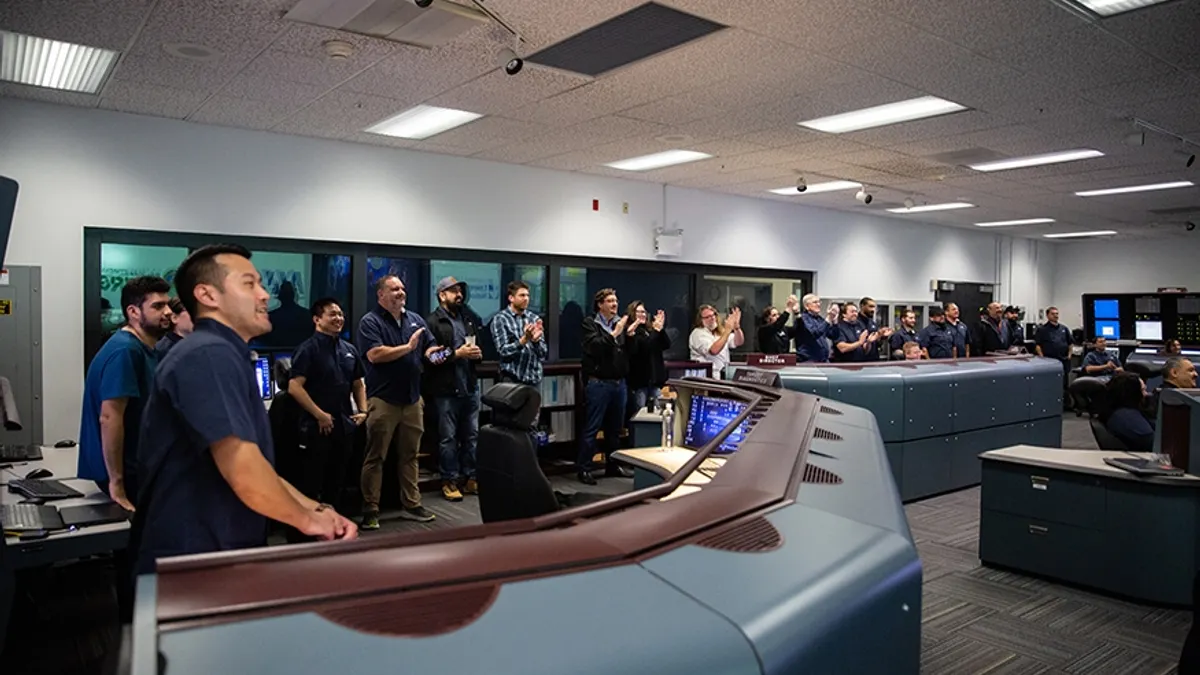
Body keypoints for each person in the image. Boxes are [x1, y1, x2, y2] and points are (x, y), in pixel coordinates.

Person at [135, 244, 356, 577]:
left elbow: (257, 466)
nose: (264, 295)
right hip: (193, 560)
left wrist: (317, 508)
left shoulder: (225, 353)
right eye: (249, 284)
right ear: (207, 295)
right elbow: (242, 468)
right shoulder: (207, 354)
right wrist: (309, 522)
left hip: (220, 550)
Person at [78, 275, 172, 510]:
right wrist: (117, 484)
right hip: (128, 476)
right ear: (133, 312)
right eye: (158, 306)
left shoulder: (145, 349)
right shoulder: (126, 351)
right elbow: (109, 417)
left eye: (168, 304)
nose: (168, 312)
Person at [357, 275, 441, 529]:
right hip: (383, 399)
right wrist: (408, 347)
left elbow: (428, 347)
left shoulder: (415, 319)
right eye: (394, 289)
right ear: (381, 294)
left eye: (402, 288)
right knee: (375, 456)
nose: (401, 292)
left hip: (412, 399)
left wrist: (435, 354)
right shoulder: (370, 322)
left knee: (410, 455)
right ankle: (371, 509)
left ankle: (412, 504)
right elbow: (374, 355)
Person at [286, 298, 367, 522]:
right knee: (312, 483)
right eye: (332, 314)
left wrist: (363, 410)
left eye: (340, 314)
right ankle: (310, 527)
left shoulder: (349, 349)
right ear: (317, 319)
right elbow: (294, 387)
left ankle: (335, 524)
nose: (338, 318)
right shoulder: (307, 349)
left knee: (338, 480)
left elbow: (358, 383)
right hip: (316, 427)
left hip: (344, 425)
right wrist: (319, 415)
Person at [425, 276, 484, 502]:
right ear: (442, 295)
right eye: (453, 291)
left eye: (460, 291)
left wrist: (477, 355)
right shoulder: (432, 322)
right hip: (446, 390)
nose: (459, 295)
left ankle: (470, 477)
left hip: (469, 386)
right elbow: (431, 358)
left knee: (472, 435)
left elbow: (477, 349)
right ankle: (449, 480)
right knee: (447, 438)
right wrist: (456, 354)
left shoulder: (467, 319)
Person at [578, 288, 631, 485]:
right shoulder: (590, 323)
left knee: (615, 429)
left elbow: (626, 352)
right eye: (610, 301)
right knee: (592, 428)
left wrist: (630, 335)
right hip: (598, 383)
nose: (614, 304)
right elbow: (595, 347)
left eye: (615, 300)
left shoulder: (620, 323)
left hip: (619, 383)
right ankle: (584, 468)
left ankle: (612, 465)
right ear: (600, 304)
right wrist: (614, 334)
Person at [490, 280, 547, 386]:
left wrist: (535, 341)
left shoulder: (534, 318)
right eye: (522, 295)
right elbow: (503, 351)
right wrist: (524, 340)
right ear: (511, 298)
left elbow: (543, 353)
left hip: (533, 379)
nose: (526, 298)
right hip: (512, 379)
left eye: (527, 295)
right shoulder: (501, 319)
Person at [625, 301, 671, 415]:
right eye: (639, 312)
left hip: (654, 380)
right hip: (640, 382)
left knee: (657, 414)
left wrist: (661, 329)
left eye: (644, 312)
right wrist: (656, 331)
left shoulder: (649, 330)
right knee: (639, 414)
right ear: (632, 314)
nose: (642, 314)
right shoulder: (631, 332)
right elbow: (646, 347)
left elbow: (666, 344)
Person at [1101, 373, 1154, 453]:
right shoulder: (1128, 418)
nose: (1146, 394)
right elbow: (1155, 442)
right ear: (1133, 394)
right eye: (1143, 390)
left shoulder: (1117, 413)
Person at [689, 304, 744, 376]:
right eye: (707, 317)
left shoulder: (720, 332)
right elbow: (713, 350)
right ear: (701, 320)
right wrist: (728, 330)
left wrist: (737, 328)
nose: (712, 318)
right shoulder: (697, 334)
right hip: (706, 376)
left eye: (713, 315)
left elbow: (738, 342)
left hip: (723, 374)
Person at [793, 294, 840, 363]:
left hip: (823, 360)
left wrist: (835, 322)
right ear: (807, 306)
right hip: (808, 361)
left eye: (819, 302)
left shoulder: (820, 319)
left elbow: (834, 336)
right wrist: (828, 318)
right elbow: (814, 333)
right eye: (815, 302)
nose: (818, 304)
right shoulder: (802, 319)